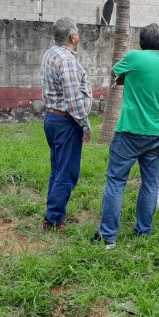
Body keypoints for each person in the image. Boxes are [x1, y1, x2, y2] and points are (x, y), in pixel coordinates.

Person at [94, 23, 159, 249]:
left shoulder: (134, 57)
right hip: (157, 133)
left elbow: (115, 72)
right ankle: (143, 232)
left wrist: (125, 79)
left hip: (130, 132)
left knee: (116, 181)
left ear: (141, 43)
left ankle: (108, 237)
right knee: (150, 183)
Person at [40, 17, 93, 231]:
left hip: (53, 119)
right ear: (73, 36)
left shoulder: (51, 53)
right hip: (65, 121)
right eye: (77, 32)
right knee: (66, 173)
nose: (78, 35)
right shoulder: (67, 60)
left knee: (57, 169)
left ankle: (56, 213)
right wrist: (85, 124)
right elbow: (73, 100)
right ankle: (52, 219)